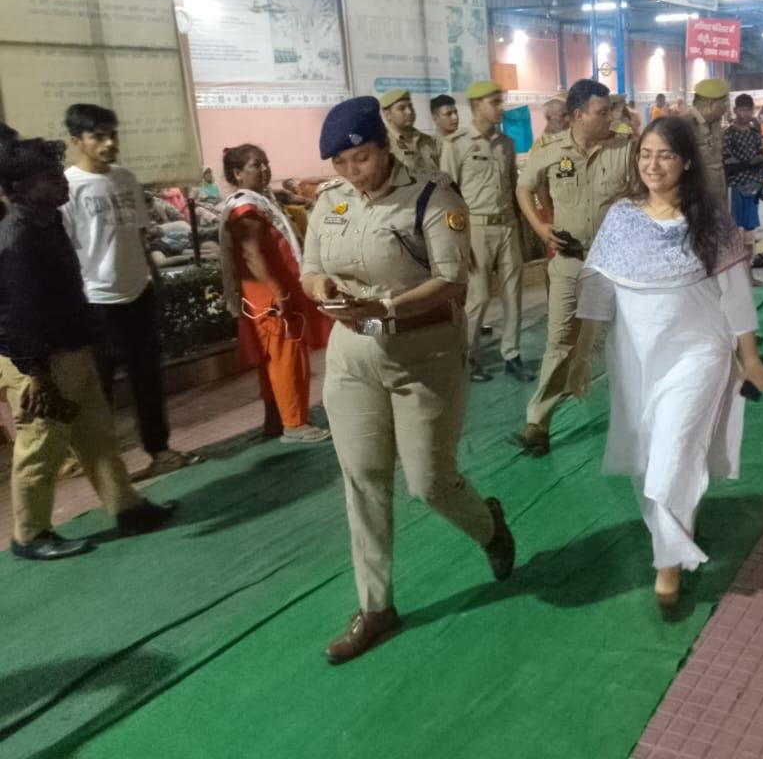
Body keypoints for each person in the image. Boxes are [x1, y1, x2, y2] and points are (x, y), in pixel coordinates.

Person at [300, 97, 515, 665]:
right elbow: (310, 269)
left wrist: (387, 308)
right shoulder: (331, 200)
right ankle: (376, 608)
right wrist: (323, 289)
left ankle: (489, 527)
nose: (353, 172)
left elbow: (453, 279)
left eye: (362, 159)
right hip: (352, 355)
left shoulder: (432, 196)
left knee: (430, 483)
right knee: (364, 480)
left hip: (423, 354)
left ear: (383, 147)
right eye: (341, 163)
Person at [577, 116, 763, 607]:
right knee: (651, 453)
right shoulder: (621, 218)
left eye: (665, 155)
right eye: (645, 154)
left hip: (698, 353)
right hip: (636, 358)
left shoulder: (710, 219)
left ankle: (667, 563)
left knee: (672, 449)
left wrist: (749, 356)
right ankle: (680, 522)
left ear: (685, 162)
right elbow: (597, 293)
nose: (653, 164)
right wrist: (580, 357)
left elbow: (735, 293)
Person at [1, 136, 176, 561]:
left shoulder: (49, 223)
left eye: (57, 172)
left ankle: (126, 507)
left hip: (72, 351)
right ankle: (30, 534)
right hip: (40, 363)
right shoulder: (17, 239)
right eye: (48, 176)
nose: (61, 181)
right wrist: (37, 375)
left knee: (97, 437)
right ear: (19, 188)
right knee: (40, 446)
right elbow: (13, 316)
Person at [61, 104, 201, 478]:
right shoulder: (68, 188)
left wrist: (153, 281)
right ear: (76, 141)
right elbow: (65, 251)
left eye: (113, 134)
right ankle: (107, 470)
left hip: (139, 295)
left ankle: (160, 451)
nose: (109, 143)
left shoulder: (125, 179)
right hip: (97, 303)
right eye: (98, 136)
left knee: (148, 380)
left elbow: (139, 238)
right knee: (100, 390)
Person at [513, 78, 636, 456]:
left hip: (614, 265)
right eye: (602, 112)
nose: (609, 118)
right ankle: (538, 423)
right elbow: (523, 188)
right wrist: (540, 227)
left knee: (626, 339)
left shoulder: (625, 148)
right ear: (579, 115)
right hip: (569, 263)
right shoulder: (550, 151)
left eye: (610, 111)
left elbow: (647, 191)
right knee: (559, 342)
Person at [218, 145, 332, 443]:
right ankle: (295, 425)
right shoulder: (246, 209)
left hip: (264, 296)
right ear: (237, 173)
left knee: (273, 360)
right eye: (256, 165)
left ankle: (275, 421)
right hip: (269, 297)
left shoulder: (255, 202)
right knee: (287, 359)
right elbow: (252, 255)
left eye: (266, 163)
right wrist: (279, 292)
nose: (264, 169)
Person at [441, 80, 534, 384]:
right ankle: (468, 358)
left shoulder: (506, 144)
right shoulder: (457, 145)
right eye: (494, 102)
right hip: (476, 230)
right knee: (478, 298)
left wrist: (521, 228)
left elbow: (513, 187)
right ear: (475, 106)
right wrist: (457, 241)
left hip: (507, 226)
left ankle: (512, 355)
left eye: (500, 101)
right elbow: (447, 197)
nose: (500, 108)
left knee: (513, 295)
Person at [724, 93, 763, 241]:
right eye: (742, 109)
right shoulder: (729, 134)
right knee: (734, 226)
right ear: (735, 110)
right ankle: (737, 255)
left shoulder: (755, 134)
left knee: (750, 227)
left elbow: (761, 159)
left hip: (754, 185)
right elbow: (728, 164)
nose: (746, 113)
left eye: (749, 110)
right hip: (735, 185)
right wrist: (751, 163)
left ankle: (749, 254)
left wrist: (759, 161)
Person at [379, 88, 440, 179]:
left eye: (410, 106)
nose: (409, 112)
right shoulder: (383, 145)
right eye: (401, 108)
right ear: (388, 115)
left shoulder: (428, 140)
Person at [688, 78, 729, 201]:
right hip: (696, 198)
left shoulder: (715, 123)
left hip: (717, 197)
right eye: (725, 102)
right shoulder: (685, 125)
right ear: (712, 105)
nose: (727, 108)